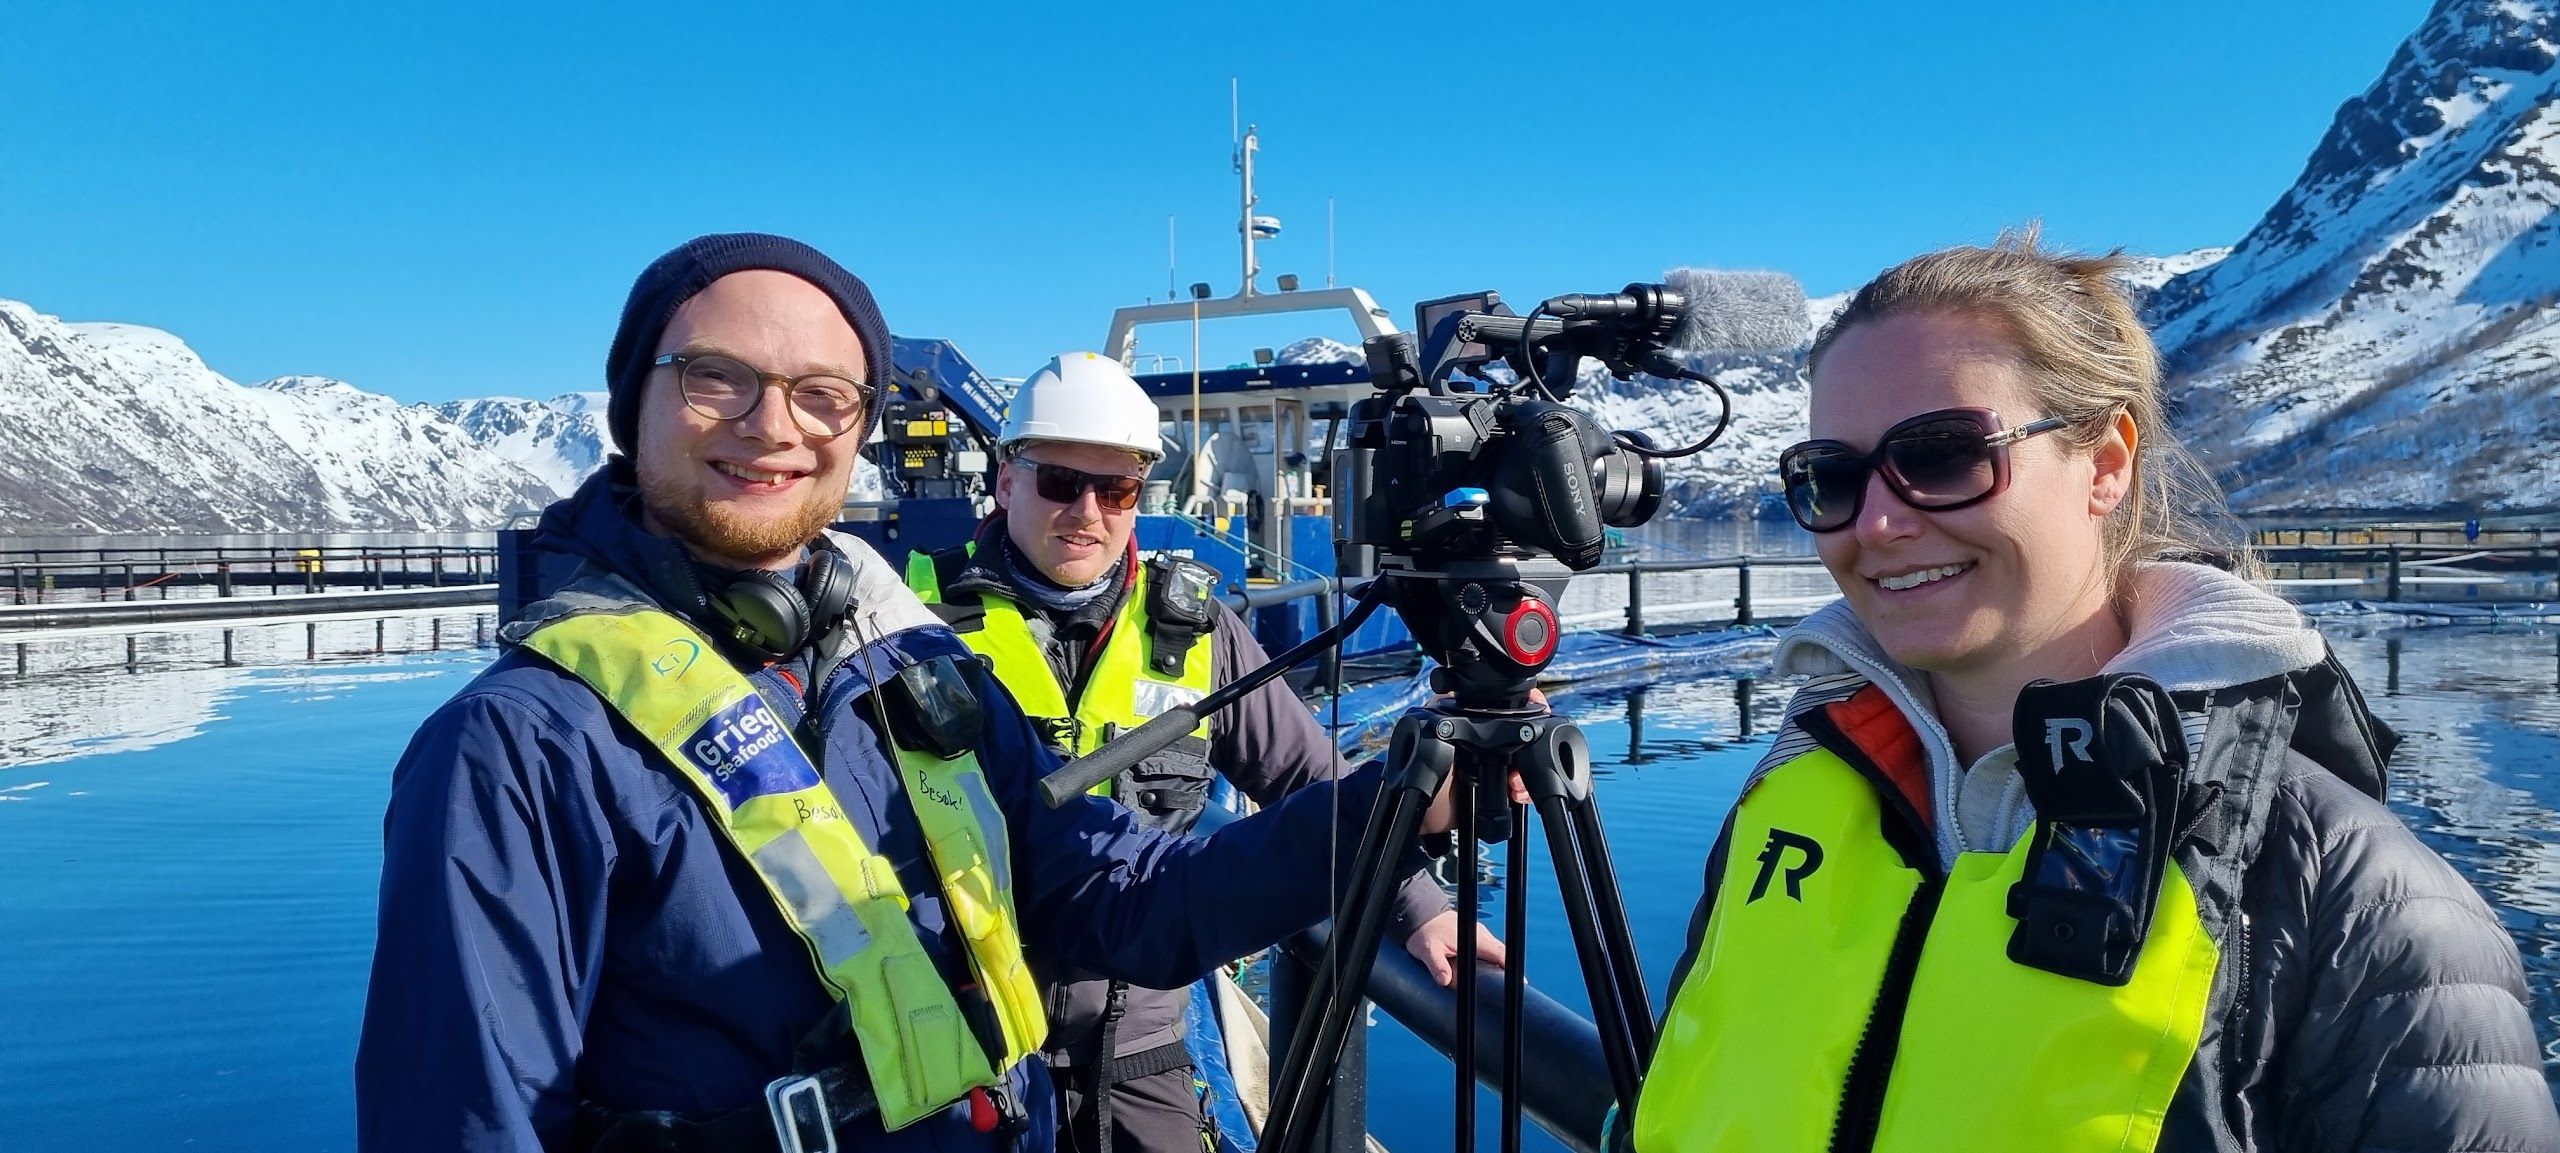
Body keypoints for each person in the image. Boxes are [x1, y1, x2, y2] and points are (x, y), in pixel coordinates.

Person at [355, 234, 1464, 1153]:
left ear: (859, 427)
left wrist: (1401, 804)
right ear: (628, 404)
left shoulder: (910, 674)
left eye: (821, 395)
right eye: (716, 378)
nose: (772, 426)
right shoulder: (518, 747)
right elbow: (463, 1114)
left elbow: (1125, 894)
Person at [1622, 231, 2560, 1152]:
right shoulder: (1787, 802)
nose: (1876, 522)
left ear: (2107, 462)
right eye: (1829, 476)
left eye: (1943, 455)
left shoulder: (2352, 893)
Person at [906, 352, 1497, 1153]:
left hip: (1141, 1041)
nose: (1086, 511)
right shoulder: (915, 630)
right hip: (972, 1049)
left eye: (1115, 489)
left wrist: (1420, 908)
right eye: (1059, 482)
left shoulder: (1196, 632)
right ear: (1007, 481)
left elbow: (1305, 772)